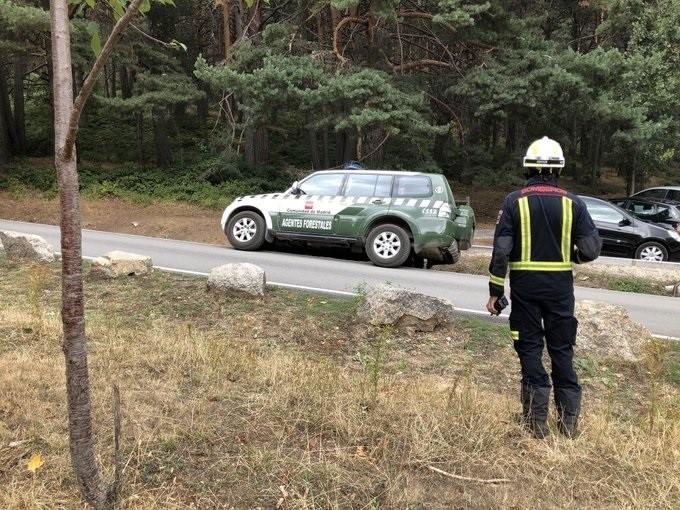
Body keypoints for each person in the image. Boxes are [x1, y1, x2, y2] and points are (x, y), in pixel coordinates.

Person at [486, 136, 602, 439]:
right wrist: (572, 256)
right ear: (558, 170)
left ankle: (535, 425)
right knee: (562, 352)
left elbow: (501, 252)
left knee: (530, 350)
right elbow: (590, 249)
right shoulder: (573, 203)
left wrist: (496, 292)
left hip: (525, 289)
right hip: (561, 290)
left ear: (528, 168)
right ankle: (568, 427)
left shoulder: (514, 201)